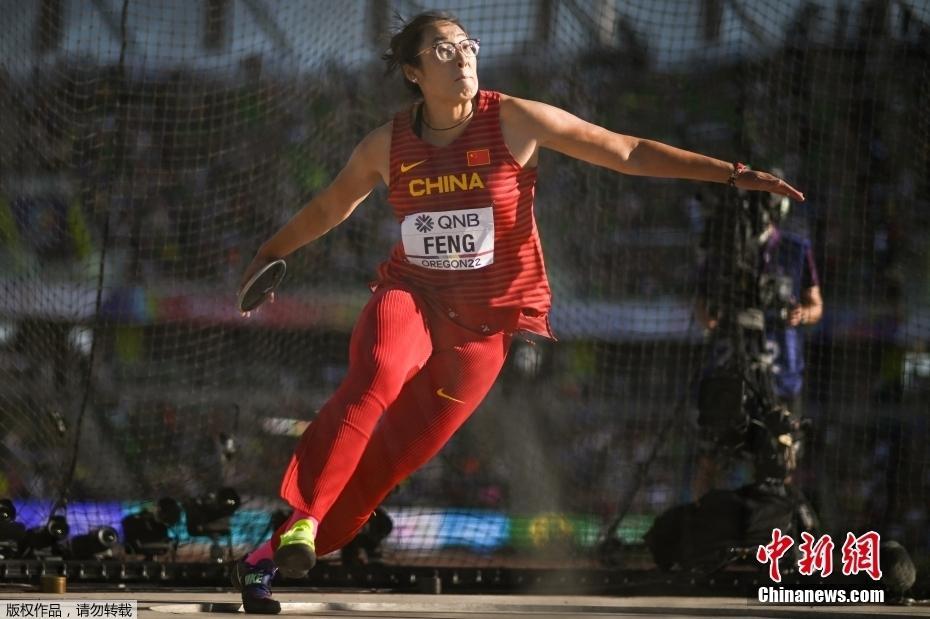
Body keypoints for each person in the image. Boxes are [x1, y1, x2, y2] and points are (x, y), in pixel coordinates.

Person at [232, 11, 805, 613]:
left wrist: (733, 175)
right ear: (412, 72)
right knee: (374, 376)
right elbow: (330, 206)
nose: (463, 57)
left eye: (466, 45)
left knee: (380, 475)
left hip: (482, 335)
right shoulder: (386, 143)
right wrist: (269, 254)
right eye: (444, 51)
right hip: (412, 298)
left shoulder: (513, 119)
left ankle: (261, 562)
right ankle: (303, 517)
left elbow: (628, 151)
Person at [692, 194, 822, 498]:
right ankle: (700, 531)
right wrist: (714, 318)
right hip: (730, 366)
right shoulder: (724, 249)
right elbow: (701, 305)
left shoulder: (795, 249)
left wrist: (801, 314)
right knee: (710, 457)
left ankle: (775, 537)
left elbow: (816, 305)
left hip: (780, 373)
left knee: (781, 459)